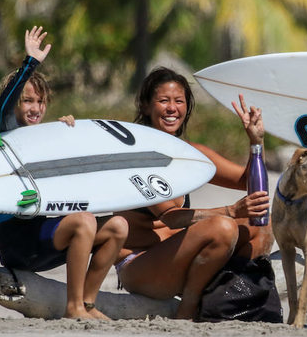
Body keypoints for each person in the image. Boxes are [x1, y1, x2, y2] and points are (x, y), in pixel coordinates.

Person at [0, 25, 128, 320]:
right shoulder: (8, 135)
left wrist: (68, 136)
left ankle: (87, 303)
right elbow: (3, 107)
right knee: (84, 222)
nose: (36, 107)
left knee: (118, 227)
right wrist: (30, 64)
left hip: (43, 236)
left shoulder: (48, 140)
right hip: (15, 241)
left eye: (40, 102)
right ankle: (73, 307)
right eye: (28, 100)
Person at [114, 67, 273, 319]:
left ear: (187, 108)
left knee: (260, 224)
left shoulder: (192, 153)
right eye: (163, 101)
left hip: (182, 261)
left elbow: (249, 183)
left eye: (179, 101)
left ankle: (227, 293)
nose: (171, 108)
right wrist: (231, 211)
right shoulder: (139, 157)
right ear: (145, 106)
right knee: (223, 227)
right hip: (141, 266)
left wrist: (256, 142)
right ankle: (189, 306)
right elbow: (170, 217)